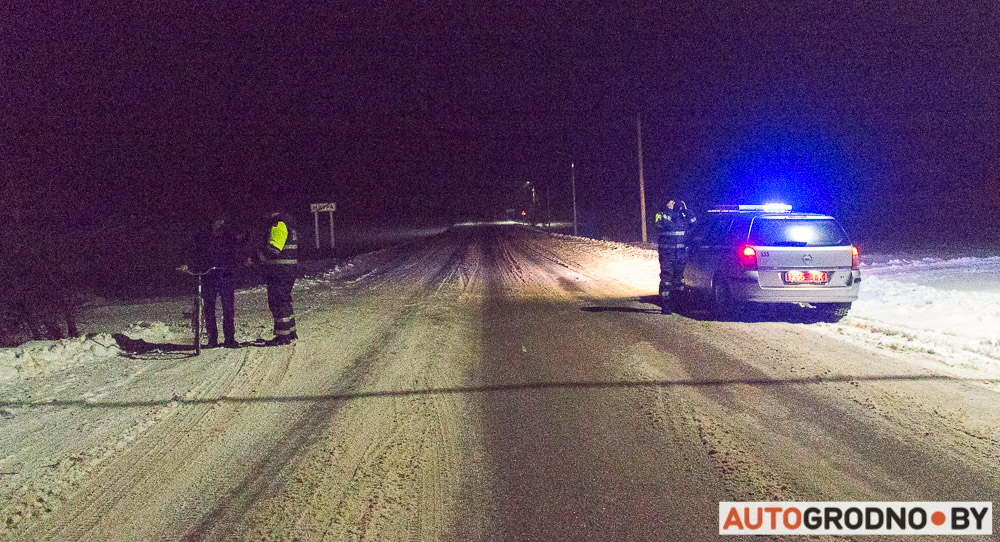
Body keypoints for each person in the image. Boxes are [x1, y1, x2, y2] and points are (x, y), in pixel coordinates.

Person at [177, 217, 242, 348]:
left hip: (226, 275)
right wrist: (185, 264)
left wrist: (236, 264)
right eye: (216, 222)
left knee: (228, 308)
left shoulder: (229, 237)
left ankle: (229, 339)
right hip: (208, 275)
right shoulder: (203, 237)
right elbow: (192, 251)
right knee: (208, 308)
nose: (218, 225)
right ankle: (212, 339)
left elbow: (236, 252)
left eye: (221, 222)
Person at [257, 211, 298, 345]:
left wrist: (256, 258)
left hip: (279, 271)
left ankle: (282, 336)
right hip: (287, 270)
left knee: (278, 302)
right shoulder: (289, 225)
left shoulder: (278, 225)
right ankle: (290, 332)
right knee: (285, 301)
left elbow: (273, 250)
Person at [654, 199, 697, 314]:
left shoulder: (683, 215)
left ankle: (678, 304)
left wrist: (686, 210)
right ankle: (665, 305)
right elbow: (662, 225)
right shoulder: (661, 215)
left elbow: (694, 223)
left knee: (679, 280)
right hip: (667, 254)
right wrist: (669, 210)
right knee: (666, 280)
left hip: (680, 254)